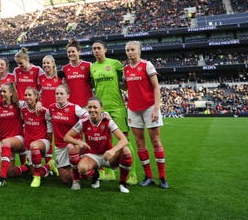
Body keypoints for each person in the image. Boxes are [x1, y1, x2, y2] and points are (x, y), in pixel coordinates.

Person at [90, 40, 137, 184]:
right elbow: (93, 86)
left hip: (117, 107)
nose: (96, 51)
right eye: (94, 49)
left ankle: (131, 174)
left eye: (99, 48)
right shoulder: (92, 67)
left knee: (124, 140)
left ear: (105, 50)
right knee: (105, 142)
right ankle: (109, 172)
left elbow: (125, 85)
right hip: (101, 109)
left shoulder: (116, 64)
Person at [124, 40, 169, 189]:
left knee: (156, 141)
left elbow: (156, 87)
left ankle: (162, 177)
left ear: (139, 51)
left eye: (132, 50)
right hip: (133, 108)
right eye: (128, 50)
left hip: (150, 107)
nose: (130, 52)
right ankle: (148, 176)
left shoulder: (147, 65)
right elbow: (125, 86)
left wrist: (156, 108)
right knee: (139, 143)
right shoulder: (126, 69)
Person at [64, 97, 133, 193]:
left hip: (107, 155)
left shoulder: (108, 120)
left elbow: (124, 140)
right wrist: (79, 142)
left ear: (101, 108)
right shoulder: (83, 121)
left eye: (95, 107)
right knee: (75, 154)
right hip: (92, 156)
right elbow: (67, 137)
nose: (92, 110)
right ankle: (92, 176)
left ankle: (122, 183)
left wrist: (113, 150)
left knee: (125, 151)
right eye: (90, 107)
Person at [47, 83, 88, 189]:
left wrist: (78, 129)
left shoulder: (75, 108)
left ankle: (77, 179)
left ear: (68, 95)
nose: (59, 96)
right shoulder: (51, 108)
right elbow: (48, 120)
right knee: (65, 179)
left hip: (74, 143)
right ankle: (82, 170)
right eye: (57, 94)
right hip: (60, 145)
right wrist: (49, 135)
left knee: (71, 147)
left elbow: (87, 118)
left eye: (61, 93)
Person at [0, 83, 28, 187]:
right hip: (6, 144)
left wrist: (39, 102)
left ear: (11, 93)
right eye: (1, 92)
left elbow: (32, 103)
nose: (2, 94)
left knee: (6, 142)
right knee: (11, 173)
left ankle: (1, 178)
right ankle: (27, 167)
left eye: (4, 91)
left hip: (19, 139)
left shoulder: (19, 105)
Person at [21, 86, 53, 187]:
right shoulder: (23, 110)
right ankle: (49, 166)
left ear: (36, 97)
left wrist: (50, 142)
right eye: (25, 95)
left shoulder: (43, 111)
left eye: (29, 95)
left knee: (34, 146)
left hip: (43, 142)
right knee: (34, 171)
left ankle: (37, 177)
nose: (27, 97)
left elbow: (50, 125)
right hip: (30, 145)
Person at [0, 58, 16, 173]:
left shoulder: (13, 77)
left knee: (12, 138)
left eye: (2, 64)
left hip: (10, 112)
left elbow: (16, 91)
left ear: (6, 66)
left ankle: (25, 164)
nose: (0, 66)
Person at [38, 54, 63, 169]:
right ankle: (50, 163)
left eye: (48, 63)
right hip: (45, 113)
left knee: (60, 138)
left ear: (53, 64)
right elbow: (38, 92)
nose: (45, 65)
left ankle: (62, 162)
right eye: (44, 63)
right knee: (48, 138)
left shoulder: (60, 77)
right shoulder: (41, 78)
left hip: (58, 112)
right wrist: (39, 101)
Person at [62, 39, 93, 107]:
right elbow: (64, 86)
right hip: (71, 105)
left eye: (73, 51)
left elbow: (93, 83)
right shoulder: (65, 68)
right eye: (69, 52)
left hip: (87, 104)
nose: (71, 54)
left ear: (79, 52)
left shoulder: (88, 65)